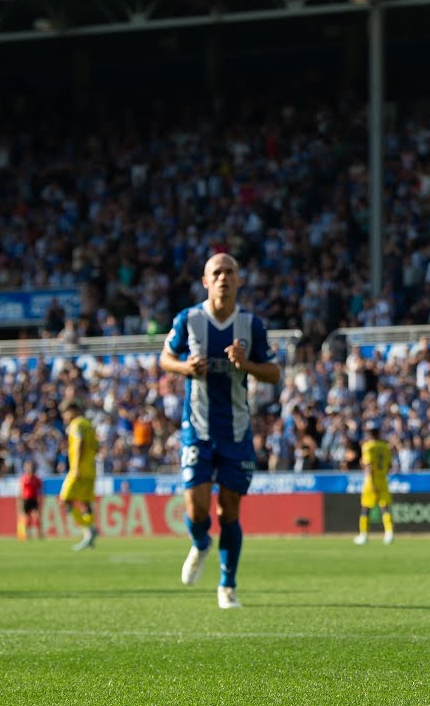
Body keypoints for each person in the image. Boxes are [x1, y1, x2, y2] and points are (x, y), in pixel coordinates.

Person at [159, 253, 280, 609]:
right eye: (217, 272)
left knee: (229, 511)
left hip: (236, 431)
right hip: (197, 428)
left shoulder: (251, 325)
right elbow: (164, 358)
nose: (224, 277)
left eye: (230, 272)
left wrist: (247, 365)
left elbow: (274, 373)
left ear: (239, 280)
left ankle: (227, 585)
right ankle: (200, 543)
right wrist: (185, 367)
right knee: (197, 510)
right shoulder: (189, 320)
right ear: (206, 280)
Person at [58, 398, 99, 551]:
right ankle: (88, 536)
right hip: (90, 470)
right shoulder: (88, 425)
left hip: (78, 470)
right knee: (85, 503)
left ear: (72, 411)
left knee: (64, 500)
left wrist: (75, 467)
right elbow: (96, 446)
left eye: (65, 413)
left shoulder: (76, 425)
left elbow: (80, 443)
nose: (64, 417)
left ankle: (89, 529)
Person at [354, 425, 395, 545]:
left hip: (371, 480)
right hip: (383, 479)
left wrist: (371, 481)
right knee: (385, 507)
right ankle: (389, 533)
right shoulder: (385, 447)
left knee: (365, 508)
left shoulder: (368, 446)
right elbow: (389, 466)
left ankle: (364, 535)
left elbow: (368, 465)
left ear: (370, 435)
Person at [17, 461, 44, 541]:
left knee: (37, 517)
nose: (29, 469)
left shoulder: (36, 479)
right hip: (26, 500)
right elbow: (21, 491)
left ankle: (39, 534)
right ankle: (24, 535)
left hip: (34, 499)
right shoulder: (24, 478)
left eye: (31, 467)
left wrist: (40, 499)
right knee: (26, 519)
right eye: (28, 467)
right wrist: (20, 502)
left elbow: (40, 490)